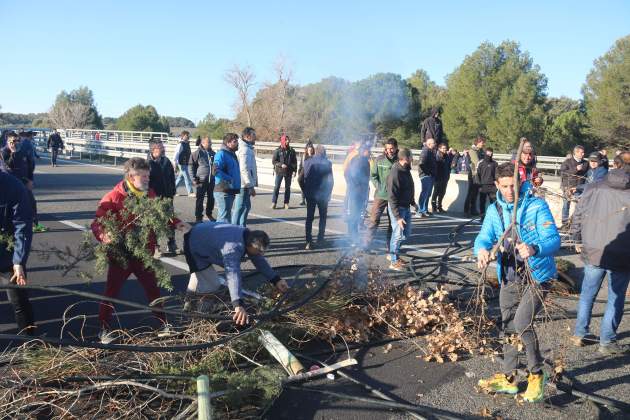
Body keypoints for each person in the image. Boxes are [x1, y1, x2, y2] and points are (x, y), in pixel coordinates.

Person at [475, 162, 561, 402]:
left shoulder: (536, 206)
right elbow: (484, 236)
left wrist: (535, 248)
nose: (509, 191)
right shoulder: (496, 210)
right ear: (497, 185)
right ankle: (509, 378)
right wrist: (481, 249)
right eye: (504, 186)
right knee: (507, 325)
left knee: (522, 322)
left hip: (537, 277)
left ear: (521, 183)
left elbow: (554, 240)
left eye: (513, 185)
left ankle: (536, 375)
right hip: (510, 276)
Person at [91, 158, 191, 343]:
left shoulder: (150, 194)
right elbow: (97, 224)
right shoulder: (113, 197)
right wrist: (105, 236)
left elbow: (161, 213)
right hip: (121, 254)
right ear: (131, 176)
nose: (147, 179)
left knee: (153, 290)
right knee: (112, 292)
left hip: (144, 253)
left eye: (148, 176)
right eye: (143, 176)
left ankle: (163, 325)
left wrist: (177, 223)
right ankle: (104, 330)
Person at [571, 167, 629, 355]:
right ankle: (607, 341)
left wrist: (577, 238)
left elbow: (578, 214)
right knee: (615, 297)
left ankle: (581, 333)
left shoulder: (594, 186)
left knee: (588, 293)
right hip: (623, 253)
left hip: (594, 249)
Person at [183, 222, 289, 325]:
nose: (261, 254)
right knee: (209, 286)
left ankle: (188, 310)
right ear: (252, 246)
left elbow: (259, 260)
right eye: (260, 251)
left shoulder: (248, 236)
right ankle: (197, 319)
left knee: (201, 280)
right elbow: (233, 274)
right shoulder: (232, 249)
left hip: (203, 236)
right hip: (194, 244)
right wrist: (238, 304)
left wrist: (276, 279)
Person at [0, 171, 35, 335]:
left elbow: (22, 226)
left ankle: (31, 347)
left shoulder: (13, 187)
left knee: (19, 301)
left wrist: (18, 261)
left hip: (8, 256)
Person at [1, 133, 46, 233]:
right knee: (9, 209)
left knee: (31, 202)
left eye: (17, 140)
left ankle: (35, 224)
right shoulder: (3, 152)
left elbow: (29, 166)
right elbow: (8, 167)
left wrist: (30, 180)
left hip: (23, 182)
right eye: (12, 141)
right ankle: (7, 230)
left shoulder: (22, 151)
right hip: (10, 185)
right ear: (7, 142)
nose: (15, 143)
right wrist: (13, 152)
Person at [148, 140, 179, 256]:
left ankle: (171, 244)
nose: (163, 148)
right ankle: (155, 246)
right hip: (154, 198)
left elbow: (171, 177)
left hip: (168, 197)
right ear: (154, 149)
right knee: (155, 223)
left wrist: (173, 190)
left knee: (170, 221)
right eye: (161, 147)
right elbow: (146, 183)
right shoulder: (147, 164)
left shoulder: (166, 161)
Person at [387, 148, 415, 271]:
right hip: (398, 209)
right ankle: (393, 261)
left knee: (406, 234)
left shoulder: (406, 169)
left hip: (406, 206)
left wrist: (413, 202)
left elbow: (408, 188)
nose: (412, 159)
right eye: (411, 157)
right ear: (405, 158)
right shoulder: (395, 173)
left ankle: (394, 254)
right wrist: (398, 217)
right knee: (397, 235)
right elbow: (392, 197)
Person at [368, 138, 398, 251]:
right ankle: (367, 244)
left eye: (392, 148)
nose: (389, 151)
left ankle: (390, 246)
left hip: (394, 197)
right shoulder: (379, 160)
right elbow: (373, 175)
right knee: (374, 220)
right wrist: (379, 186)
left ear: (396, 148)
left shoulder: (399, 160)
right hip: (380, 195)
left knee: (392, 223)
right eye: (387, 148)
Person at [303, 145, 334, 249]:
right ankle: (320, 239)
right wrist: (328, 193)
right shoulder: (328, 163)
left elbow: (300, 179)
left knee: (309, 218)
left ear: (315, 152)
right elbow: (331, 181)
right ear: (324, 153)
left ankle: (308, 241)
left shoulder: (307, 162)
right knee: (323, 217)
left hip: (310, 194)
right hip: (323, 194)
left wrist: (305, 190)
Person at [345, 142, 371, 242]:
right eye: (368, 151)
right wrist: (358, 187)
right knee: (354, 215)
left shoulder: (356, 159)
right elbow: (352, 175)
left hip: (355, 191)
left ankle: (352, 235)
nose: (370, 153)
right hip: (357, 192)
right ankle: (353, 237)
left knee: (354, 214)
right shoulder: (362, 161)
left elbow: (348, 174)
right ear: (364, 151)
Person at [212, 133, 241, 223]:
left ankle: (222, 236)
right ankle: (219, 236)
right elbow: (215, 171)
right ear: (228, 143)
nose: (237, 143)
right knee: (224, 218)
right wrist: (230, 179)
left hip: (230, 190)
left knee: (226, 217)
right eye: (235, 141)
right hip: (223, 190)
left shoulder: (231, 154)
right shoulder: (221, 154)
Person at [233, 127, 258, 226]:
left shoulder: (247, 148)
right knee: (239, 208)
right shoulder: (244, 149)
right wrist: (250, 185)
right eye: (254, 135)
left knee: (246, 206)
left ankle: (241, 229)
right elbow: (243, 169)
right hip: (243, 185)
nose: (255, 137)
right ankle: (234, 230)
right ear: (247, 136)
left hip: (245, 184)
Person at [189, 135, 216, 224]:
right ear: (203, 143)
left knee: (211, 198)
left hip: (211, 180)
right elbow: (191, 166)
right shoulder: (197, 153)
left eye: (211, 142)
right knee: (200, 199)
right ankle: (198, 216)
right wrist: (193, 178)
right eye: (209, 142)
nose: (211, 143)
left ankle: (209, 214)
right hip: (201, 180)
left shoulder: (213, 153)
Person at [560, 145, 587, 227]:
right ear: (576, 152)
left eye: (583, 152)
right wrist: (576, 169)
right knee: (566, 205)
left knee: (579, 206)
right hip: (567, 187)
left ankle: (575, 222)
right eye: (581, 152)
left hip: (579, 188)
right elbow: (563, 173)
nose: (583, 154)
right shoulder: (567, 162)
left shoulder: (586, 163)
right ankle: (564, 223)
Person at [271, 134, 297, 209]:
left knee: (287, 188)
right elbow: (274, 161)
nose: (288, 141)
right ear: (282, 141)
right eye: (286, 140)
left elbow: (294, 161)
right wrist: (281, 164)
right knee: (277, 187)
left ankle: (286, 203)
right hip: (279, 171)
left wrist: (295, 170)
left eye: (288, 140)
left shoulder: (292, 150)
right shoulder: (277, 150)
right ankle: (274, 202)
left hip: (289, 172)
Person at [464, 137, 485, 216]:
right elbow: (476, 162)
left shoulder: (481, 151)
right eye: (482, 142)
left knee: (475, 193)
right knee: (471, 193)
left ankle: (473, 209)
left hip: (478, 174)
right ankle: (466, 210)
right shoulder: (472, 151)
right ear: (477, 143)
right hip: (473, 174)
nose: (483, 144)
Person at [417, 138, 436, 217]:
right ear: (429, 144)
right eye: (433, 143)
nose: (435, 144)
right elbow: (421, 163)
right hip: (426, 176)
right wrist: (428, 172)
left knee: (428, 194)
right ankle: (420, 210)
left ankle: (425, 210)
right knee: (425, 193)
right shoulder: (426, 151)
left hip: (430, 175)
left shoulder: (430, 152)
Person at [477, 147, 498, 219]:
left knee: (494, 203)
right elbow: (478, 175)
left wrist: (497, 184)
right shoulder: (481, 163)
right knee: (482, 203)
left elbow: (497, 175)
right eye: (488, 153)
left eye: (491, 153)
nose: (489, 154)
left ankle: (493, 217)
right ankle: (482, 217)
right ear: (485, 153)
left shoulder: (495, 164)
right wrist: (479, 186)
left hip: (492, 186)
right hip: (483, 186)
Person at [173, 130, 195, 197]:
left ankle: (172, 190)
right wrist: (175, 164)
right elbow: (176, 154)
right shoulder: (180, 144)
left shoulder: (187, 144)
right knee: (187, 177)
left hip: (186, 163)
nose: (188, 137)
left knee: (181, 177)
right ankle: (190, 192)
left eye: (188, 135)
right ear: (183, 136)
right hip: (181, 163)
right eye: (186, 135)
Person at [431, 143, 451, 213]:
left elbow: (449, 167)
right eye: (443, 148)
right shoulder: (436, 156)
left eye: (445, 148)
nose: (444, 150)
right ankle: (434, 207)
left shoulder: (447, 156)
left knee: (442, 193)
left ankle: (439, 206)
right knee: (436, 192)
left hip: (445, 178)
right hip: (437, 178)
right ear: (439, 149)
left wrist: (448, 176)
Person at [297, 141, 315, 206]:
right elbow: (301, 165)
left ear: (313, 150)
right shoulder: (304, 156)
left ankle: (307, 200)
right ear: (306, 149)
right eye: (308, 149)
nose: (310, 151)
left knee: (308, 186)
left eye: (311, 149)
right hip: (303, 171)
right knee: (300, 181)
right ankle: (303, 200)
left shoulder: (314, 157)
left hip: (311, 172)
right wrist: (299, 172)